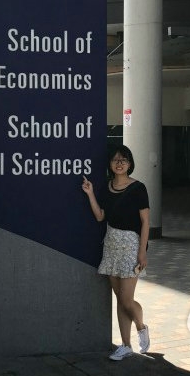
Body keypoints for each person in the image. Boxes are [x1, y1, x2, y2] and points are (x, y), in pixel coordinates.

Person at [82, 145, 150, 360]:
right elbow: (100, 216)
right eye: (115, 160)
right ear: (110, 164)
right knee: (120, 299)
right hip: (111, 244)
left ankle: (141, 326)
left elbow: (145, 222)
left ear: (130, 163)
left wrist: (142, 252)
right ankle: (126, 345)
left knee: (127, 300)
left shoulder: (138, 188)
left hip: (131, 245)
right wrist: (90, 194)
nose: (119, 163)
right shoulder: (106, 187)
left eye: (124, 159)